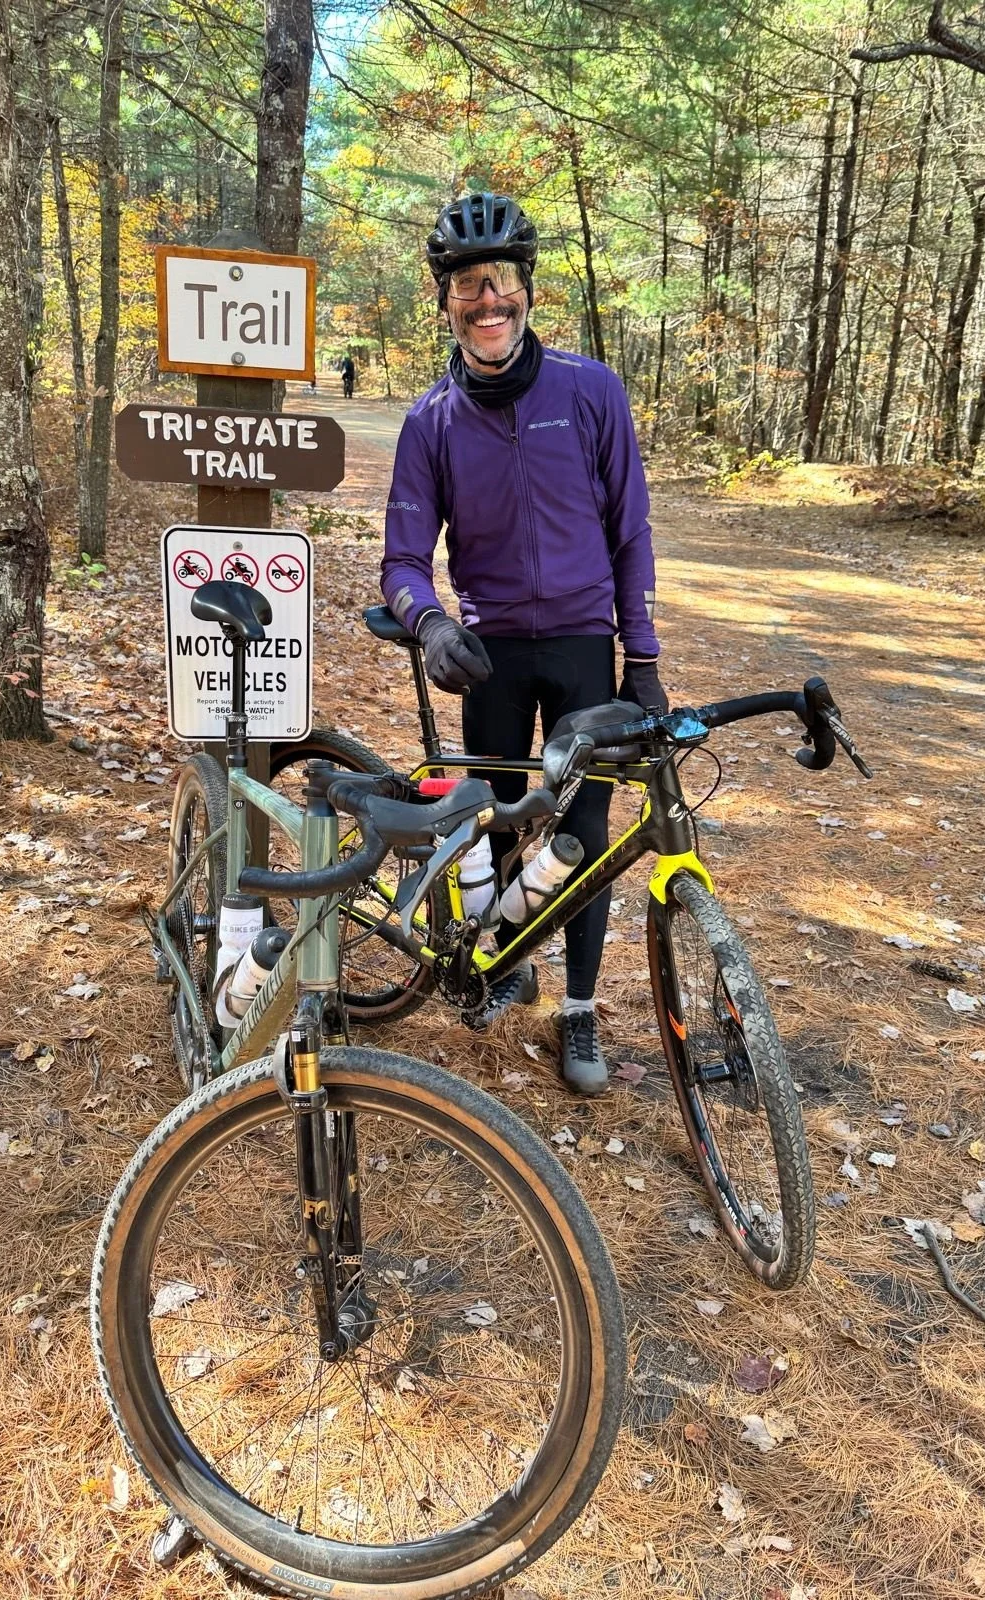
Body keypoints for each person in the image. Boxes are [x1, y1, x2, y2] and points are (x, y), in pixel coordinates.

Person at [380, 192, 666, 1094]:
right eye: (469, 286)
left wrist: (645, 659)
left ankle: (578, 1011)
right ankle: (507, 958)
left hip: (583, 643)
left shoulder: (591, 390)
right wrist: (429, 621)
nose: (487, 300)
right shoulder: (431, 420)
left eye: (500, 281)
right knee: (500, 818)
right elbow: (400, 554)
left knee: (580, 830)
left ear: (528, 291)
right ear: (446, 302)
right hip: (493, 651)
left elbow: (632, 532)